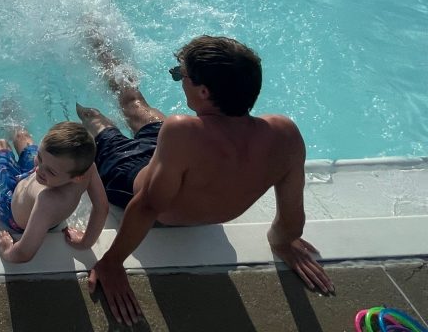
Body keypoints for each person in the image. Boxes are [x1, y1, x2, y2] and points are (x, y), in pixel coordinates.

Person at [78, 33, 334, 325]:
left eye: (180, 76)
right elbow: (291, 215)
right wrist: (284, 242)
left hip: (126, 173)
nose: (180, 80)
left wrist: (112, 263)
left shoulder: (181, 131)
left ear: (203, 93)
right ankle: (98, 43)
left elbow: (148, 205)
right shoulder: (284, 133)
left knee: (99, 120)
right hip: (172, 156)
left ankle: (85, 81)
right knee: (135, 104)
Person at [0, 114, 109, 263]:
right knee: (22, 136)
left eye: (51, 171)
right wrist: (86, 242)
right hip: (31, 182)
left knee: (0, 146)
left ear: (77, 177)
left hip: (9, 206)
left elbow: (23, 253)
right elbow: (102, 207)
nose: (38, 169)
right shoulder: (83, 167)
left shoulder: (48, 201)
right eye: (39, 156)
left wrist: (6, 250)